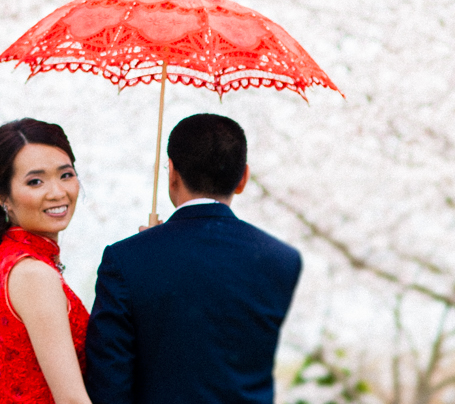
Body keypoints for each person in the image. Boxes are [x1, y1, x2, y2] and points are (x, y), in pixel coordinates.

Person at [82, 113, 302, 404]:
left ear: (171, 172)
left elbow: (108, 386)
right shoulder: (282, 261)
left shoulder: (124, 260)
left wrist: (149, 249)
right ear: (243, 178)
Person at [0, 118, 93, 404]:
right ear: (3, 197)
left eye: (66, 175)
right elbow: (72, 400)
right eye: (35, 181)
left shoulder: (11, 261)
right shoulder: (33, 273)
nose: (57, 192)